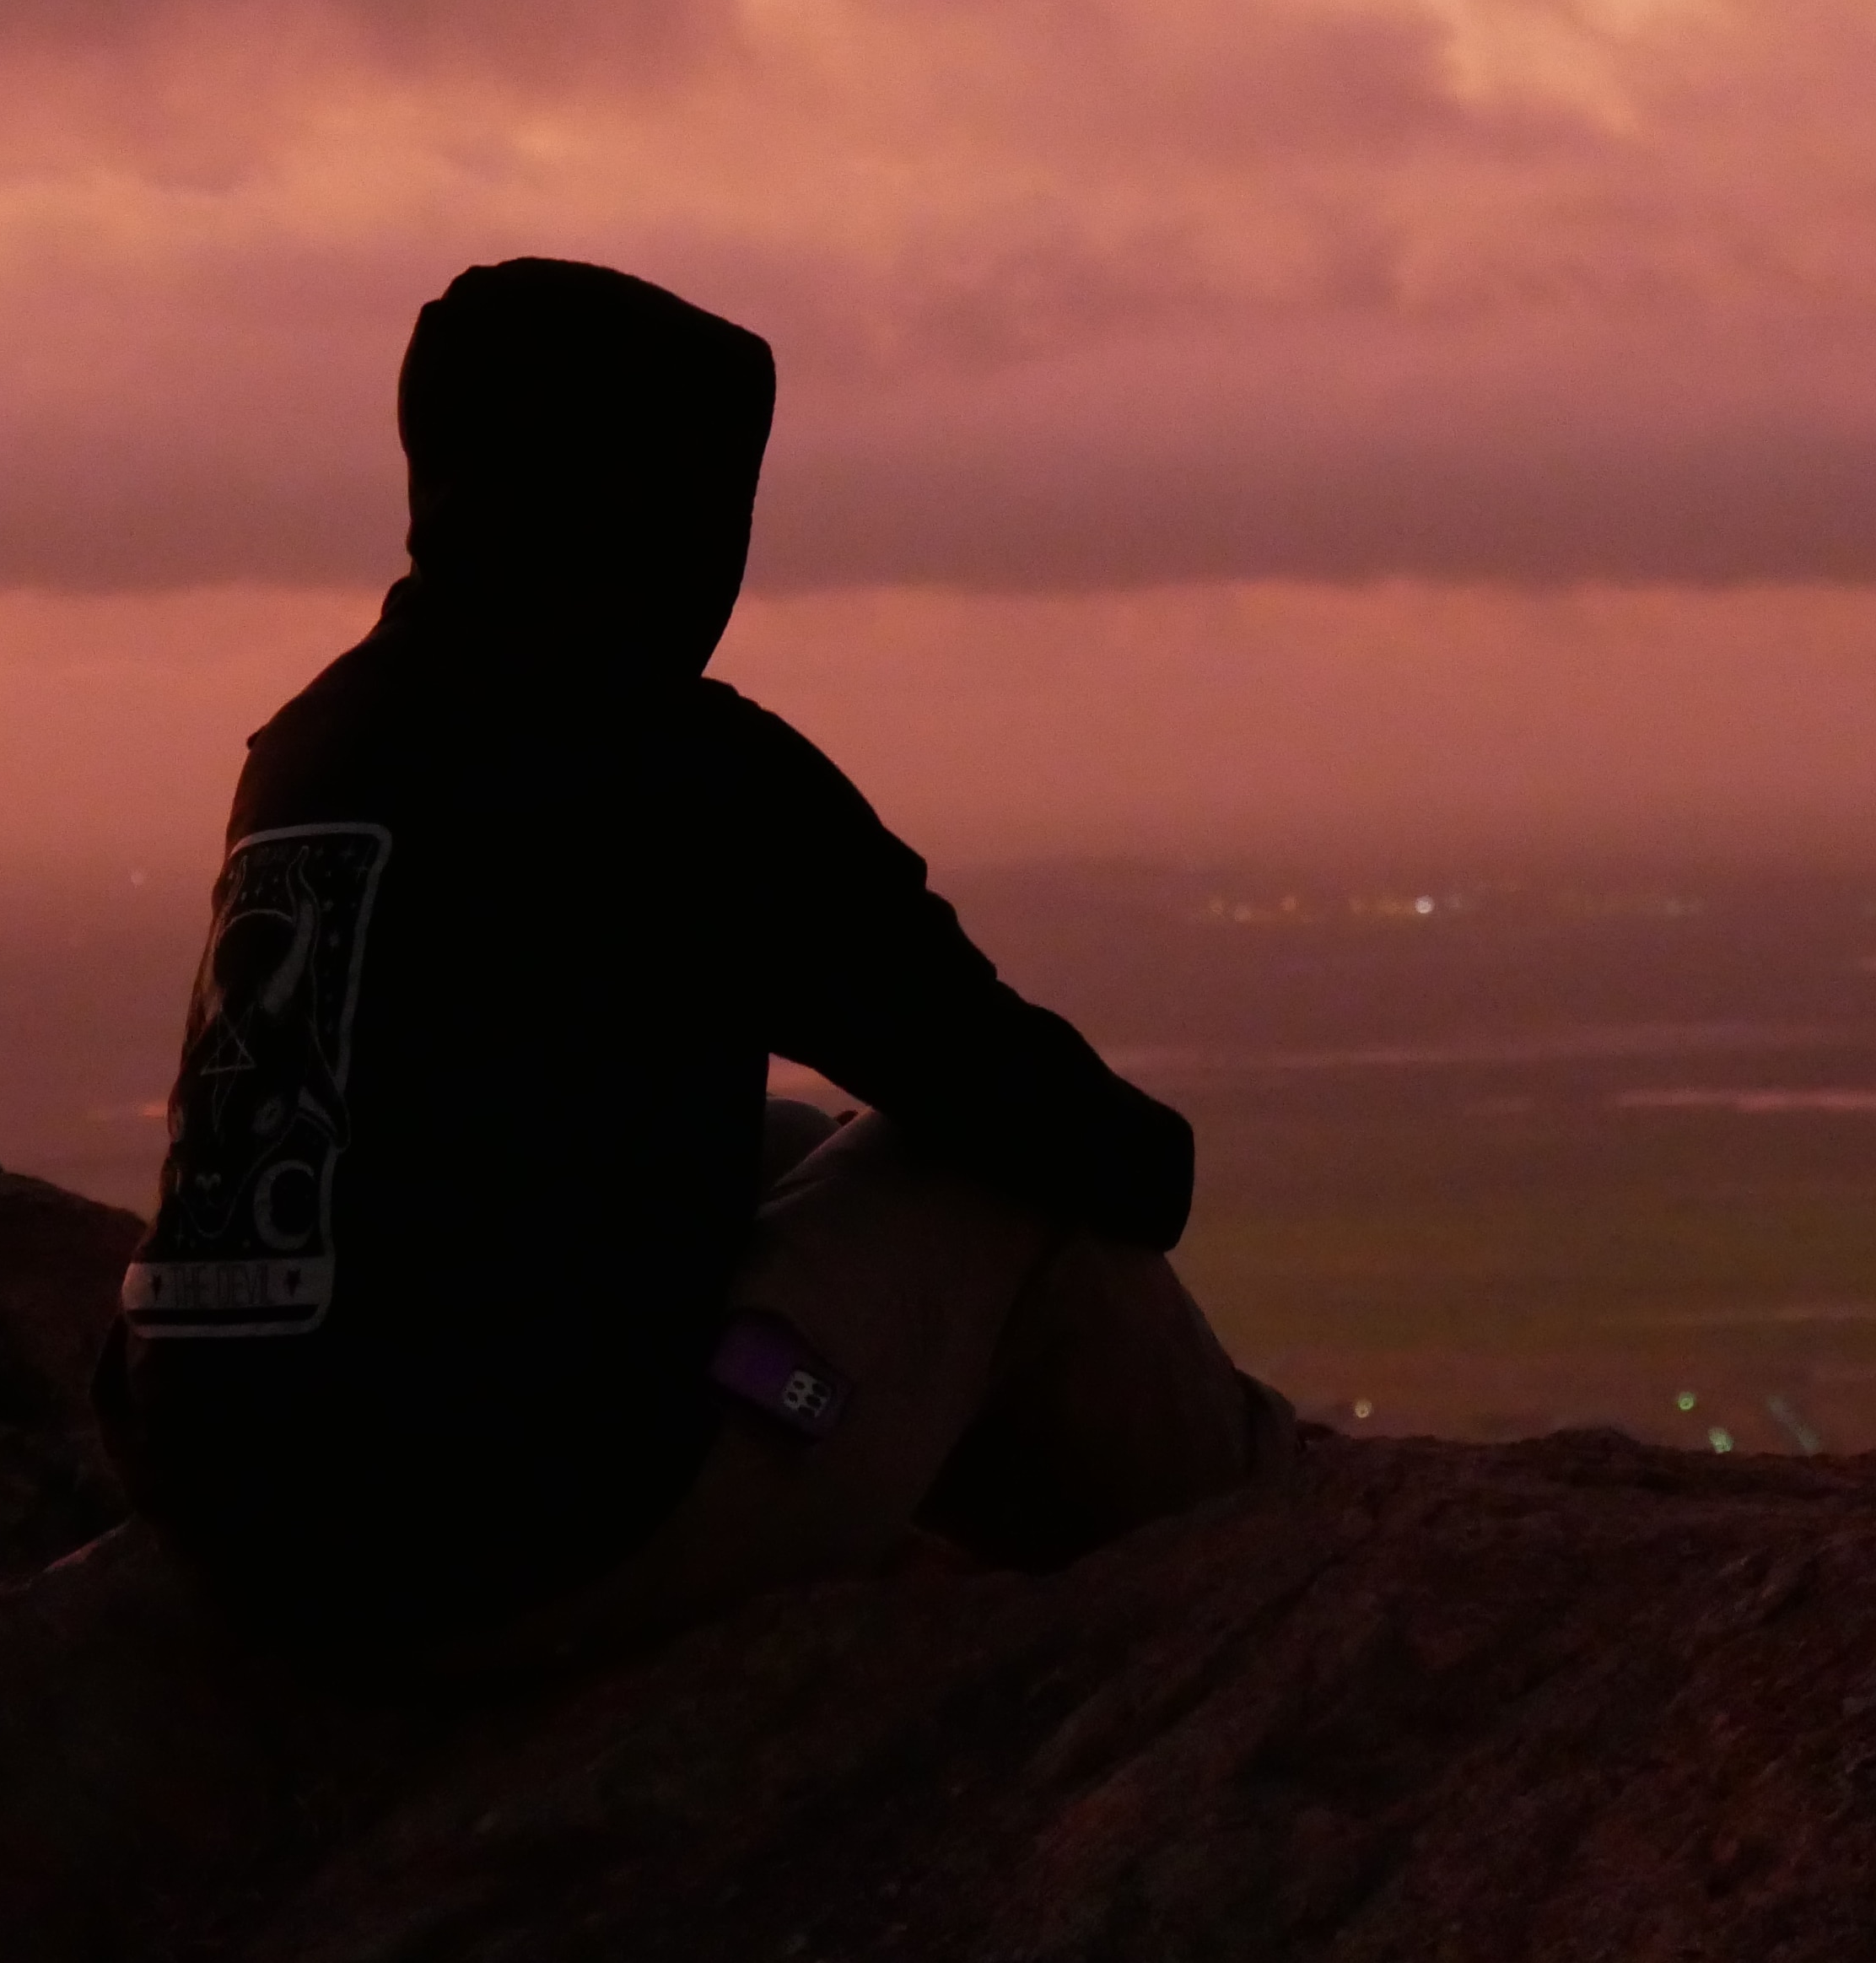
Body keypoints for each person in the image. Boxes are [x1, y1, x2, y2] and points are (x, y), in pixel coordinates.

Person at [99, 257, 1286, 1669]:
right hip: (510, 1561)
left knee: (785, 1142)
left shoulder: (312, 745)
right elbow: (1036, 1112)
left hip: (233, 1539)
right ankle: (1271, 1547)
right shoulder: (678, 768)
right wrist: (1153, 1152)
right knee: (989, 1182)